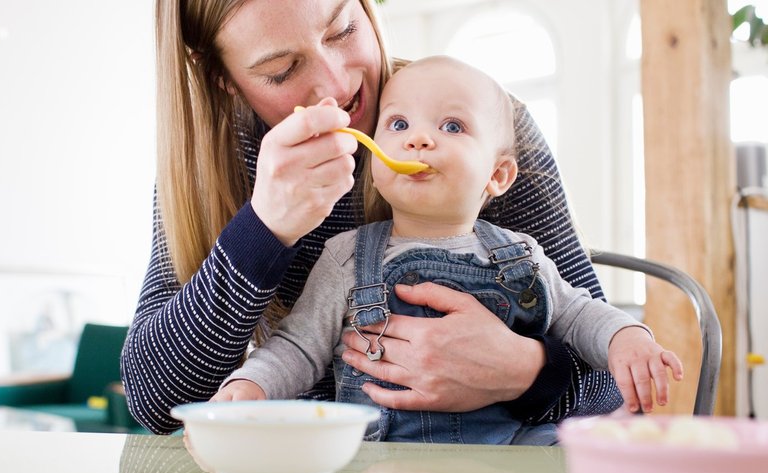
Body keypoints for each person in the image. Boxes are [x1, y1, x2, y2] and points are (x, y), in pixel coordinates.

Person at [122, 0, 629, 436]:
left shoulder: (479, 129)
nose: (336, 84)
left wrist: (526, 372)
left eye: (342, 29)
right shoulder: (213, 163)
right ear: (223, 79)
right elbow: (153, 400)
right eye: (281, 69)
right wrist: (263, 230)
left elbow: (609, 386)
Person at [214, 56, 683, 444]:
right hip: (379, 466)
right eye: (398, 123)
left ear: (497, 176)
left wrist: (628, 339)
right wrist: (251, 386)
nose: (418, 139)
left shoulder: (522, 254)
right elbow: (299, 347)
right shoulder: (346, 256)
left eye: (452, 126)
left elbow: (582, 315)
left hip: (510, 458)